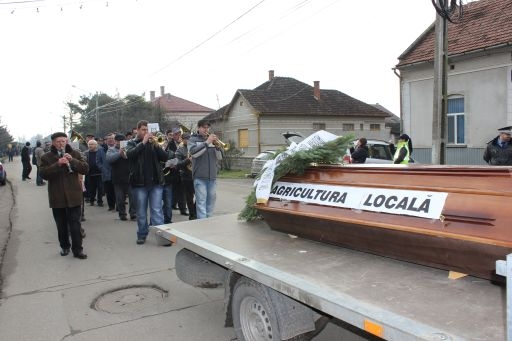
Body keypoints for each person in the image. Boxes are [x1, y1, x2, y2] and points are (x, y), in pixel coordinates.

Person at [39, 132, 88, 259]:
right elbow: (43, 174)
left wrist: (73, 161)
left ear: (67, 142)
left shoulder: (75, 153)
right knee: (61, 226)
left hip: (74, 195)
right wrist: (57, 164)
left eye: (64, 141)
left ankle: (78, 250)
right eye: (58, 141)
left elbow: (85, 168)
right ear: (53, 143)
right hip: (57, 196)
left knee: (75, 225)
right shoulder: (46, 157)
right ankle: (65, 246)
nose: (61, 144)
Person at [126, 120, 168, 244]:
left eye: (147, 130)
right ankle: (142, 234)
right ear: (138, 130)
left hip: (155, 183)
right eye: (144, 130)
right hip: (139, 184)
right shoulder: (132, 143)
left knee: (157, 211)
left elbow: (165, 158)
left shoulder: (154, 142)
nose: (146, 132)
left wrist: (158, 146)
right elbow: (130, 155)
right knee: (141, 212)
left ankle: (161, 237)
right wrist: (143, 143)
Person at [188, 120, 223, 219]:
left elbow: (220, 157)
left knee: (211, 202)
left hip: (212, 176)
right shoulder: (192, 139)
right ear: (198, 128)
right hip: (199, 176)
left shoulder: (213, 141)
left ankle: (209, 222)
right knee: (201, 202)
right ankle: (203, 224)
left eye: (207, 127)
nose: (206, 129)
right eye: (204, 127)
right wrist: (207, 143)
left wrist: (217, 147)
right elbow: (194, 154)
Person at [107, 134, 136, 221]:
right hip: (118, 178)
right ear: (115, 141)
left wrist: (127, 154)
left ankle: (133, 214)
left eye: (122, 141)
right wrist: (119, 153)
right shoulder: (111, 150)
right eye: (118, 141)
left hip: (130, 177)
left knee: (133, 198)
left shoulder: (129, 148)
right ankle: (122, 214)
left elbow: (134, 158)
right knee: (120, 199)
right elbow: (109, 159)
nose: (120, 143)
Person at [167, 127, 188, 216]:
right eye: (176, 134)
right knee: (175, 190)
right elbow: (168, 155)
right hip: (173, 169)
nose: (178, 136)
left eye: (179, 134)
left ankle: (183, 209)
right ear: (173, 135)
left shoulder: (185, 144)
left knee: (182, 191)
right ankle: (172, 204)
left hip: (183, 169)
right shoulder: (169, 144)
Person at [176, 132, 196, 220]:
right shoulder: (179, 150)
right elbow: (178, 164)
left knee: (200, 196)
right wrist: (188, 160)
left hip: (196, 175)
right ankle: (192, 214)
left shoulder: (194, 147)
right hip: (186, 176)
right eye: (186, 139)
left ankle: (195, 211)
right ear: (182, 139)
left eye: (189, 138)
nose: (188, 140)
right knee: (189, 197)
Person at [84, 139, 105, 206]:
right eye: (89, 144)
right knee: (92, 188)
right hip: (90, 173)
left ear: (96, 145)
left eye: (92, 144)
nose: (90, 145)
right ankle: (92, 200)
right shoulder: (86, 153)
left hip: (99, 173)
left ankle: (100, 201)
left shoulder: (100, 152)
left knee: (100, 187)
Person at [103, 133, 117, 211]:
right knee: (109, 190)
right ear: (106, 140)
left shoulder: (119, 148)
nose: (111, 140)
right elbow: (99, 161)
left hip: (117, 172)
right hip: (106, 172)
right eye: (109, 138)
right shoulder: (102, 149)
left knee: (117, 190)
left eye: (112, 138)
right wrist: (103, 169)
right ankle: (111, 206)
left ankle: (118, 205)